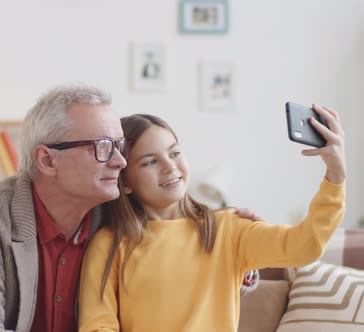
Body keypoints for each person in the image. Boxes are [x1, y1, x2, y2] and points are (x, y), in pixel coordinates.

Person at [0, 84, 260, 332]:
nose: (120, 162)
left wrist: (236, 254)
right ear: (48, 160)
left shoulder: (125, 214)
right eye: (102, 148)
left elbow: (178, 275)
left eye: (119, 147)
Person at [78, 107, 346, 331]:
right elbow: (97, 325)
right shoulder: (109, 244)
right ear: (125, 183)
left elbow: (305, 245)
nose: (170, 167)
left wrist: (335, 174)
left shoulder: (228, 228)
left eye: (174, 153)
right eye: (150, 162)